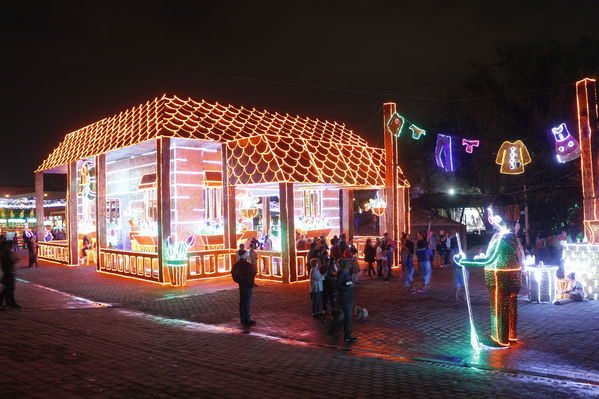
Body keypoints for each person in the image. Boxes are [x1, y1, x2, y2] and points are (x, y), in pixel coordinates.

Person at [454, 201, 523, 346]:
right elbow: (494, 257)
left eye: (491, 214)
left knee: (499, 310)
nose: (489, 218)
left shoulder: (502, 238)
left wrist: (464, 261)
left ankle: (501, 339)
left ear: (499, 217)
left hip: (500, 279)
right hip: (510, 277)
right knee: (510, 309)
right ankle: (510, 336)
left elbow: (489, 260)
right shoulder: (511, 237)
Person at [231, 248, 257, 326]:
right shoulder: (247, 265)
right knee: (246, 302)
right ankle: (247, 319)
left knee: (242, 301)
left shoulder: (236, 265)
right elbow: (254, 272)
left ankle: (243, 318)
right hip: (248, 284)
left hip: (241, 284)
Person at [337, 257, 358, 343]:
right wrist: (347, 287)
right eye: (349, 263)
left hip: (348, 296)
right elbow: (338, 285)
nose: (350, 264)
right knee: (347, 316)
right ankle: (347, 335)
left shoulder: (347, 272)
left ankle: (341, 333)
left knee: (346, 316)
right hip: (345, 296)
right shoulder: (342, 272)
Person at [0, 240, 20, 310]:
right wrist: (15, 260)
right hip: (8, 272)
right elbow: (12, 261)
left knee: (10, 288)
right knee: (8, 288)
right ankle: (4, 302)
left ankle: (11, 302)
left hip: (9, 272)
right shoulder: (6, 254)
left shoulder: (6, 253)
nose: (13, 246)